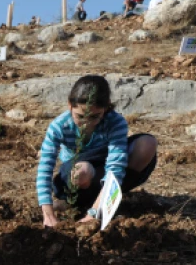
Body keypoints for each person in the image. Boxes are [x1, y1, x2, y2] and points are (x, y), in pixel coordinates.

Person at [36, 75, 158, 228]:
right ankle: (72, 202)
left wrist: (94, 213)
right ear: (70, 105)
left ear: (106, 108)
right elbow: (45, 168)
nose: (86, 123)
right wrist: (48, 214)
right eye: (80, 116)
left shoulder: (115, 122)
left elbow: (115, 167)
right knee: (83, 171)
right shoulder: (60, 126)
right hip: (76, 179)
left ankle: (104, 202)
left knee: (147, 144)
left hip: (104, 172)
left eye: (94, 116)